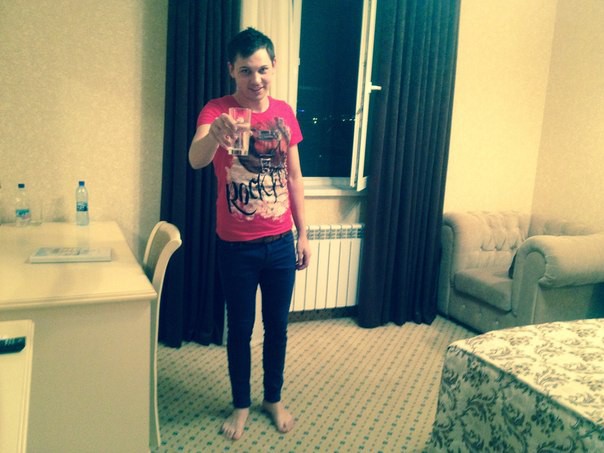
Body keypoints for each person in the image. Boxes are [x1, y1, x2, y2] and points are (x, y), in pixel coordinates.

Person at [188, 27, 311, 441]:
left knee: (277, 327)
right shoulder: (217, 111)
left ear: (273, 66)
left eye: (262, 69)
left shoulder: (285, 113)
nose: (255, 79)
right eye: (245, 71)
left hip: (280, 243)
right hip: (236, 247)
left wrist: (303, 234)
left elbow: (294, 178)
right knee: (239, 330)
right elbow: (195, 160)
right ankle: (241, 403)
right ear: (231, 70)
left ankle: (272, 398)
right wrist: (214, 135)